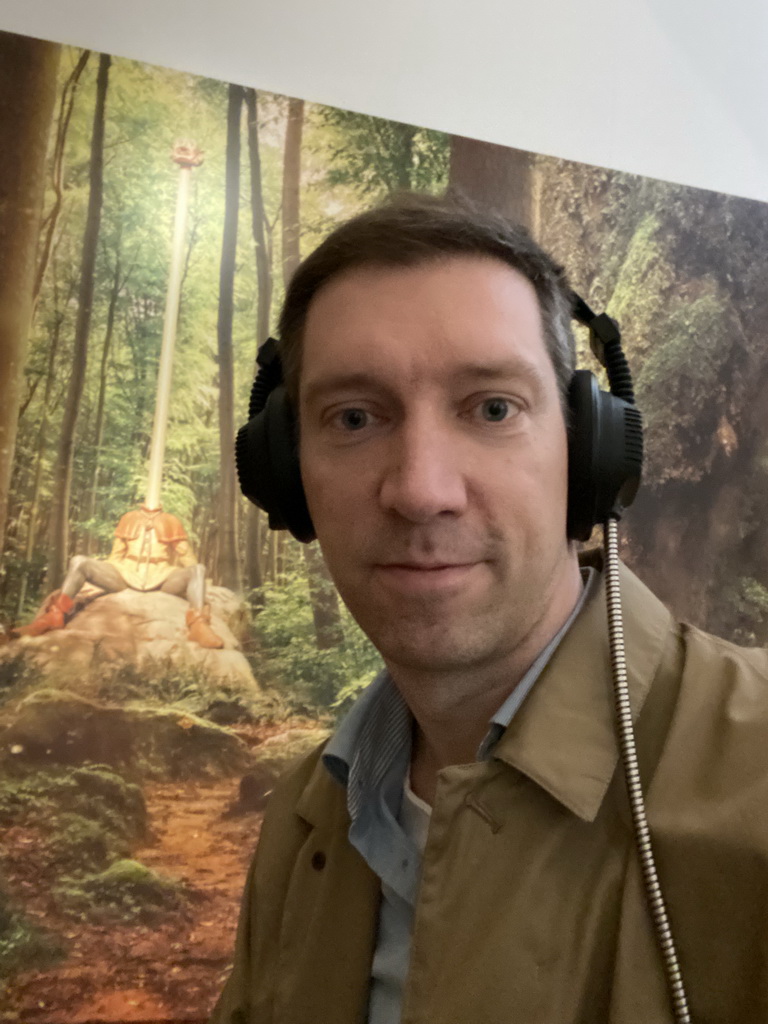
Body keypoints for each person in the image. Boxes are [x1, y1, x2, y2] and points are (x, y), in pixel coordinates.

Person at [211, 193, 768, 1024]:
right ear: (287, 477)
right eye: (355, 417)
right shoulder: (309, 820)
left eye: (493, 408)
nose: (421, 490)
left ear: (587, 455)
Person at [20, 504, 223, 648]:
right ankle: (53, 616)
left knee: (198, 569)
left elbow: (186, 557)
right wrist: (95, 579)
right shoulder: (129, 518)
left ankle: (198, 624)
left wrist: (203, 585)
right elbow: (115, 557)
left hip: (162, 576)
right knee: (79, 561)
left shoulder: (171, 521)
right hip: (125, 574)